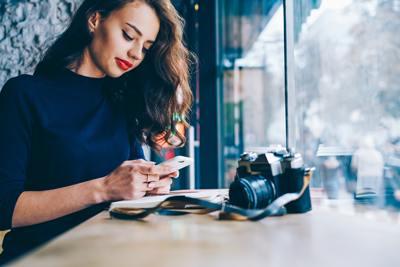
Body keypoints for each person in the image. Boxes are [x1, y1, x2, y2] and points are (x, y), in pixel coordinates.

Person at [0, 0, 193, 264]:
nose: (136, 53)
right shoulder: (24, 94)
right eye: (128, 35)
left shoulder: (121, 103)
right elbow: (4, 206)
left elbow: (126, 192)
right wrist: (103, 189)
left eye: (146, 48)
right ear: (94, 20)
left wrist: (148, 186)